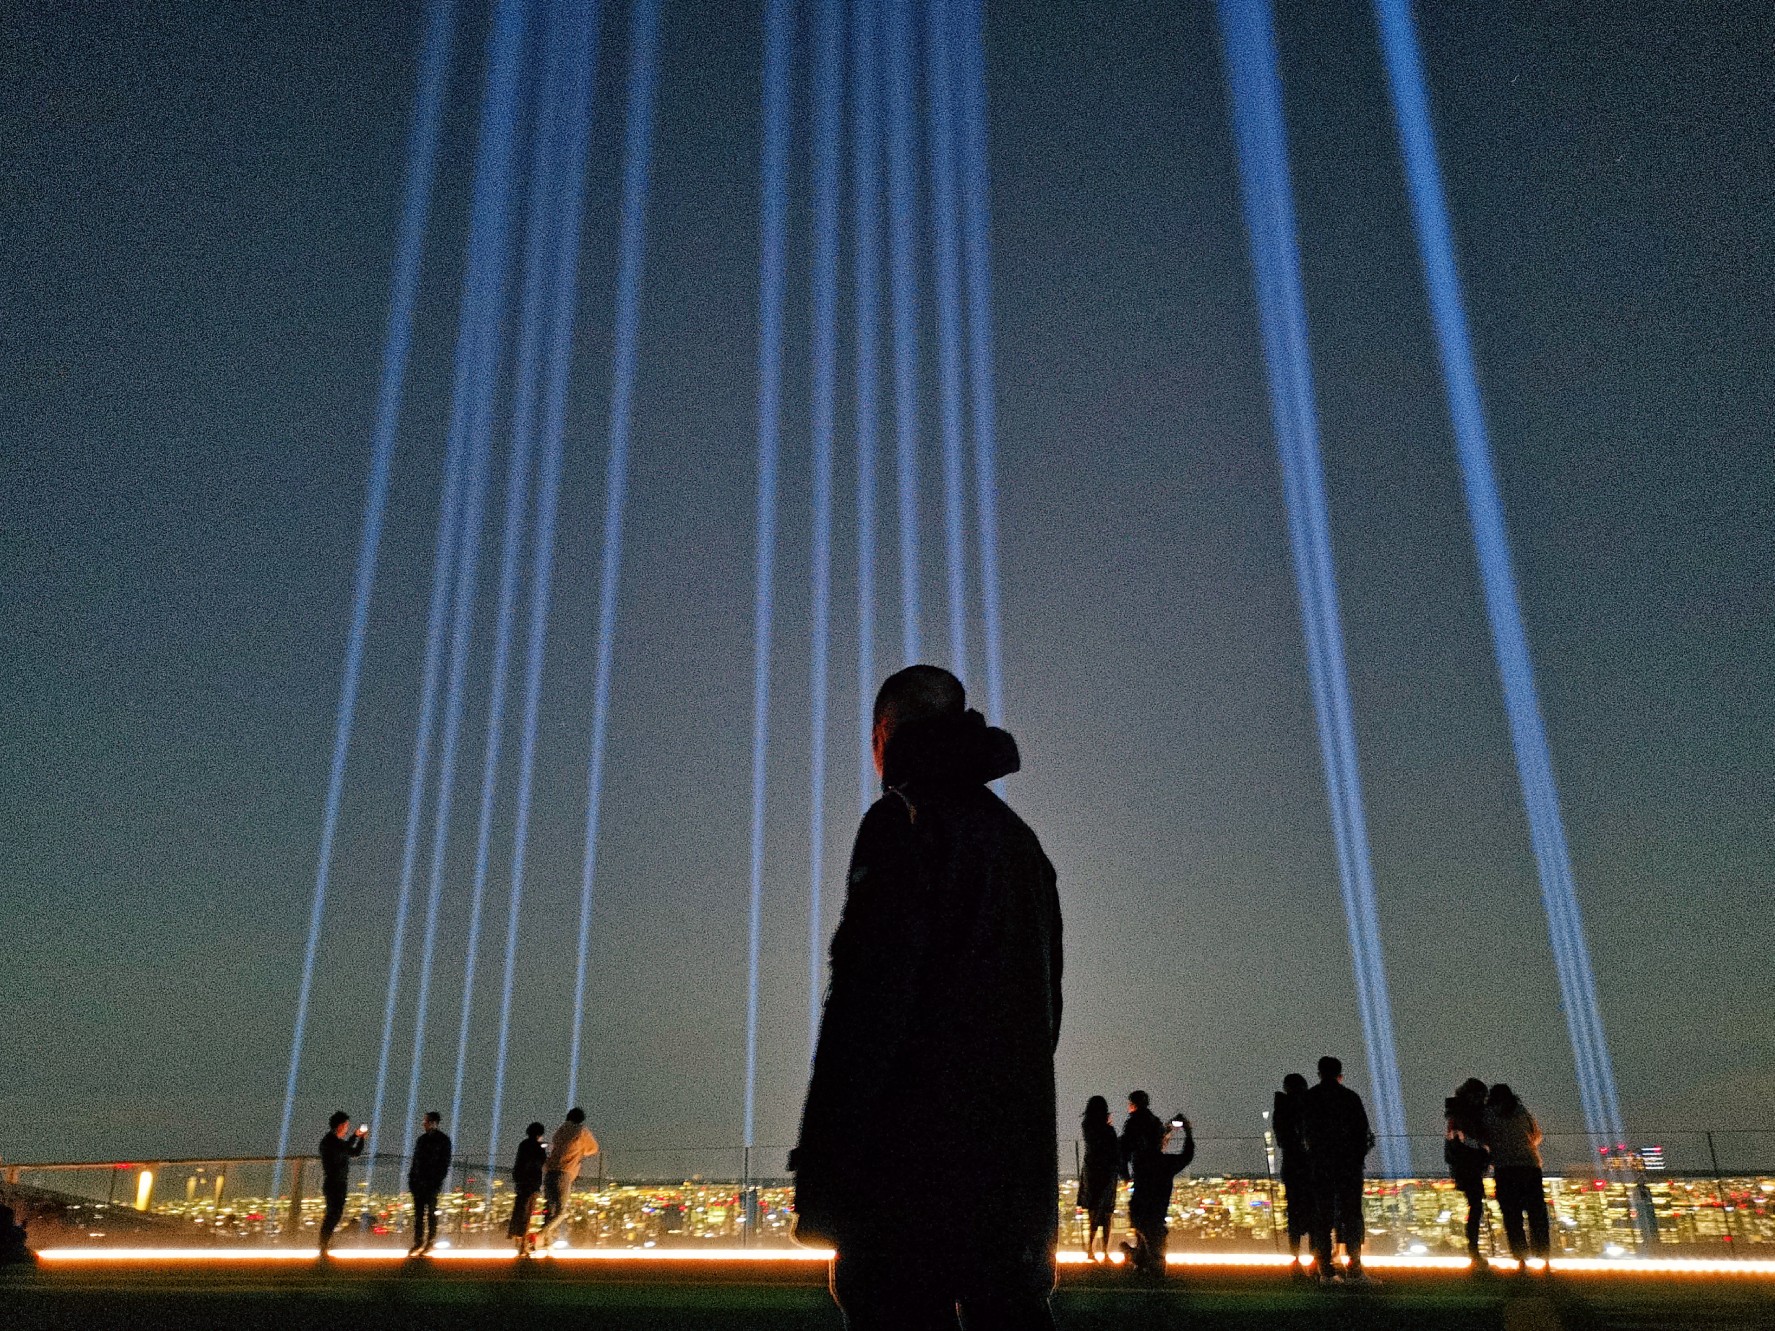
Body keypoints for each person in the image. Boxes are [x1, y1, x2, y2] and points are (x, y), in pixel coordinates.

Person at [791, 665, 1064, 1331]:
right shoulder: (1021, 843)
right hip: (1012, 1171)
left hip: (907, 1176)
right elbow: (1046, 1008)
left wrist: (827, 1170)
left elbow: (866, 1004)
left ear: (883, 735)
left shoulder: (901, 823)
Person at [1301, 1056, 1373, 1281]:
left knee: (1322, 1217)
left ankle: (1325, 1269)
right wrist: (1357, 1157)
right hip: (1348, 1166)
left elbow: (1304, 1132)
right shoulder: (1350, 1098)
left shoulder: (1310, 1098)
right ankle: (1354, 1268)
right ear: (1340, 1073)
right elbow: (1363, 1133)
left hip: (1321, 1165)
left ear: (1319, 1072)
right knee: (1351, 1215)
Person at [1117, 1093, 1195, 1275]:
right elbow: (1186, 1155)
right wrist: (1187, 1131)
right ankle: (1136, 1255)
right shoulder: (1165, 1163)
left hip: (1140, 1213)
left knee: (1148, 1255)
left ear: (1132, 1104)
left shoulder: (1140, 1160)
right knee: (1157, 1265)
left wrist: (1125, 1174)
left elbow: (1123, 1149)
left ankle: (1134, 1254)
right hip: (1155, 1218)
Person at [1484, 1083, 1550, 1270]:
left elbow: (1484, 1139)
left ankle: (1521, 1259)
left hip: (1505, 1168)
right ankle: (1544, 1257)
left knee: (1512, 1215)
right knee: (1537, 1213)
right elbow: (1537, 1136)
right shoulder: (1522, 1112)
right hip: (1530, 1166)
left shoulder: (1488, 1115)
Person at [1444, 1078, 1491, 1266]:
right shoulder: (1467, 1116)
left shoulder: (1456, 1114)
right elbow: (1468, 1140)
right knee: (1476, 1206)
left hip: (1464, 1166)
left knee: (1475, 1206)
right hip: (1469, 1166)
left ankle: (1474, 1249)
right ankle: (1474, 1250)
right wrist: (1485, 1150)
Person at [536, 1107, 598, 1248]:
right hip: (564, 1173)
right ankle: (540, 1234)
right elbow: (594, 1148)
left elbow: (556, 1143)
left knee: (549, 1209)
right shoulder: (582, 1131)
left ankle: (546, 1243)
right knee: (561, 1212)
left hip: (550, 1171)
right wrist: (581, 1150)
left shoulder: (561, 1129)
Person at [1271, 1073, 1313, 1272]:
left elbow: (1281, 1140)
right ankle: (1317, 1262)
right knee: (1314, 1215)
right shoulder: (1306, 1109)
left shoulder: (1281, 1110)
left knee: (1294, 1215)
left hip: (1291, 1167)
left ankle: (1295, 1262)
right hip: (1308, 1168)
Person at [317, 1110, 367, 1257]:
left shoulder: (330, 1141)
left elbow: (351, 1150)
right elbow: (348, 1150)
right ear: (339, 1126)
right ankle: (323, 1243)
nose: (347, 1128)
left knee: (333, 1214)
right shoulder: (330, 1142)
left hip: (337, 1183)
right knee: (333, 1214)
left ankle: (324, 1243)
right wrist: (358, 1137)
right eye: (346, 1125)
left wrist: (359, 1138)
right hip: (335, 1184)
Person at [1077, 1096, 1120, 1261]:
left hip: (1091, 1172)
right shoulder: (1108, 1131)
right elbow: (1114, 1150)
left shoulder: (1087, 1126)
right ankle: (1105, 1251)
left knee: (1092, 1210)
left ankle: (1090, 1249)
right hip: (1107, 1172)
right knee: (1106, 1212)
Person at [407, 1110, 452, 1256]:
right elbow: (416, 1162)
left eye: (425, 1121)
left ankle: (427, 1243)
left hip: (430, 1183)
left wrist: (436, 1180)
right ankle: (420, 1242)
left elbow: (444, 1163)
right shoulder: (426, 1140)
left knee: (429, 1213)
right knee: (420, 1214)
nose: (423, 1123)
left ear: (433, 1122)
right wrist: (412, 1180)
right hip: (420, 1183)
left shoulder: (442, 1140)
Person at [507, 1121, 549, 1255]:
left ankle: (519, 1241)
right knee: (528, 1213)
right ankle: (523, 1245)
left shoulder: (523, 1145)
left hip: (521, 1183)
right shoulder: (539, 1148)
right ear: (539, 1134)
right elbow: (543, 1163)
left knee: (519, 1210)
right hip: (532, 1184)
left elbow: (519, 1163)